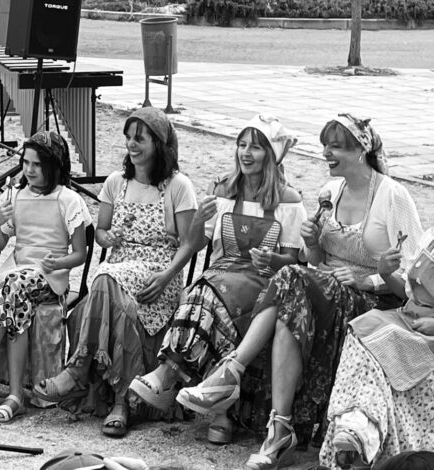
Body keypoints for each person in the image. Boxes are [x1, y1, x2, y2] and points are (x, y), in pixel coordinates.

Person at [176, 114, 423, 469]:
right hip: (323, 289)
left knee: (290, 278)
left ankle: (234, 376)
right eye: (325, 146)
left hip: (370, 300)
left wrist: (369, 279)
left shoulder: (392, 196)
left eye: (336, 147)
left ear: (361, 150)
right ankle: (278, 428)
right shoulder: (331, 191)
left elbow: (414, 279)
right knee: (291, 301)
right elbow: (314, 261)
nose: (326, 153)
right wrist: (313, 243)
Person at [127, 115, 307, 444]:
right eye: (241, 145)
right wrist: (199, 219)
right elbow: (196, 243)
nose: (245, 153)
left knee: (207, 294)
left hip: (264, 280)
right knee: (202, 292)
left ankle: (171, 374)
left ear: (271, 155)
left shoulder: (288, 200)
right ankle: (217, 408)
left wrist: (271, 259)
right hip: (221, 273)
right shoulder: (224, 190)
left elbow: (293, 261)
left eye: (255, 147)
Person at [32, 107, 199, 438]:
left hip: (157, 274)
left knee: (104, 278)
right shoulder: (115, 183)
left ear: (159, 143)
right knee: (110, 286)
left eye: (140, 138)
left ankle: (77, 370)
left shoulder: (178, 186)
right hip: (118, 270)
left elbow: (191, 243)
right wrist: (107, 238)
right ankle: (122, 402)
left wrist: (166, 277)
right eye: (128, 137)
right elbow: (101, 231)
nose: (131, 144)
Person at [0, 131, 92, 426]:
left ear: (54, 166)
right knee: (15, 297)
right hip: (18, 278)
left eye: (37, 164)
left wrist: (58, 262)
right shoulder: (16, 195)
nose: (29, 169)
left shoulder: (69, 199)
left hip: (50, 278)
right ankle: (15, 397)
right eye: (26, 163)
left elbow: (80, 254)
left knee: (12, 286)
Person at [318, 226, 434, 469]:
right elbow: (408, 292)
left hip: (426, 333)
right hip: (408, 318)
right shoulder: (431, 236)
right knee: (363, 329)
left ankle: (361, 430)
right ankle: (358, 424)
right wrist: (385, 273)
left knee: (381, 344)